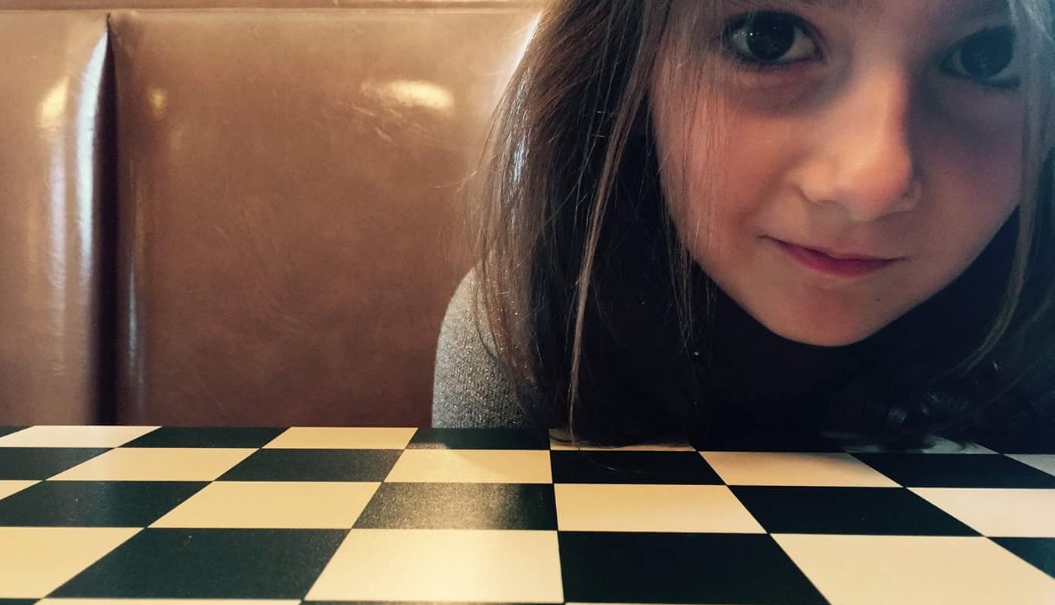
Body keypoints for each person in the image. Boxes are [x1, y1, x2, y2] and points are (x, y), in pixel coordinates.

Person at [433, 0, 1055, 452]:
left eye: (989, 56)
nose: (872, 183)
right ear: (627, 73)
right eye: (769, 38)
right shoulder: (536, 329)